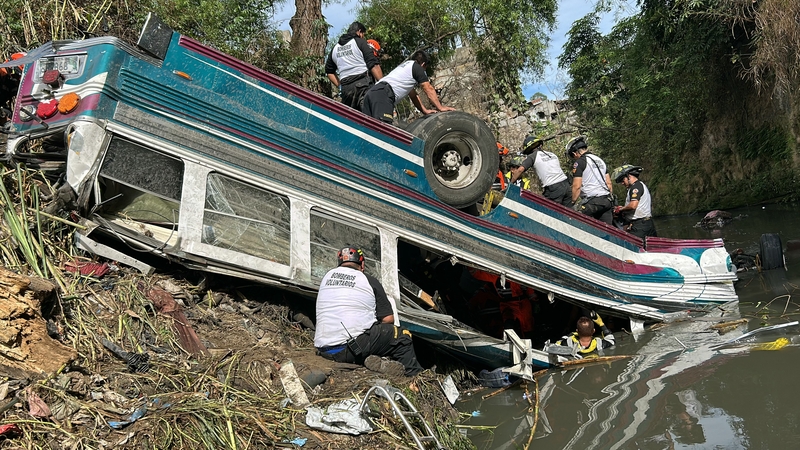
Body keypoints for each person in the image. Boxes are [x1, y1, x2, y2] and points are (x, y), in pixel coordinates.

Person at [314, 246, 424, 376]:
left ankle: (381, 364)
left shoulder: (326, 277)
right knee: (402, 335)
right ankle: (415, 379)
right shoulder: (368, 280)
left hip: (323, 348)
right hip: (348, 349)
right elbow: (388, 319)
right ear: (362, 264)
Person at [361, 50, 454, 124]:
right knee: (382, 131)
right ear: (423, 64)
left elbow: (413, 95)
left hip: (371, 93)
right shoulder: (417, 68)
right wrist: (440, 108)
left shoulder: (405, 68)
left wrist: (425, 111)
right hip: (382, 95)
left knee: (369, 130)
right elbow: (428, 88)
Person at [325, 22, 383, 110]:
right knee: (370, 116)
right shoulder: (360, 42)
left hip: (346, 90)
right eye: (363, 34)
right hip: (363, 86)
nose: (363, 37)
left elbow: (329, 72)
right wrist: (383, 84)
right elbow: (374, 65)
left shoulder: (335, 48)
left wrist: (340, 85)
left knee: (352, 119)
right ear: (359, 32)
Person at [508, 135, 572, 207]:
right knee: (567, 214)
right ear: (540, 145)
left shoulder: (532, 156)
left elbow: (520, 170)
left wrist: (510, 183)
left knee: (547, 211)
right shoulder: (552, 154)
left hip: (553, 188)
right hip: (566, 185)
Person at [566, 135, 614, 225]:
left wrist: (572, 202)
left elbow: (577, 187)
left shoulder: (579, 162)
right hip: (607, 201)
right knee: (607, 231)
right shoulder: (600, 160)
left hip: (593, 202)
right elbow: (609, 183)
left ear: (575, 153)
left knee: (572, 219)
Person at [612, 164, 658, 239]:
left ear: (629, 176)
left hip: (640, 226)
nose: (622, 183)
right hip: (647, 223)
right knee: (652, 248)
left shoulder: (635, 187)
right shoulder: (640, 185)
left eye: (622, 180)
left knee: (633, 246)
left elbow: (633, 205)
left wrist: (620, 209)